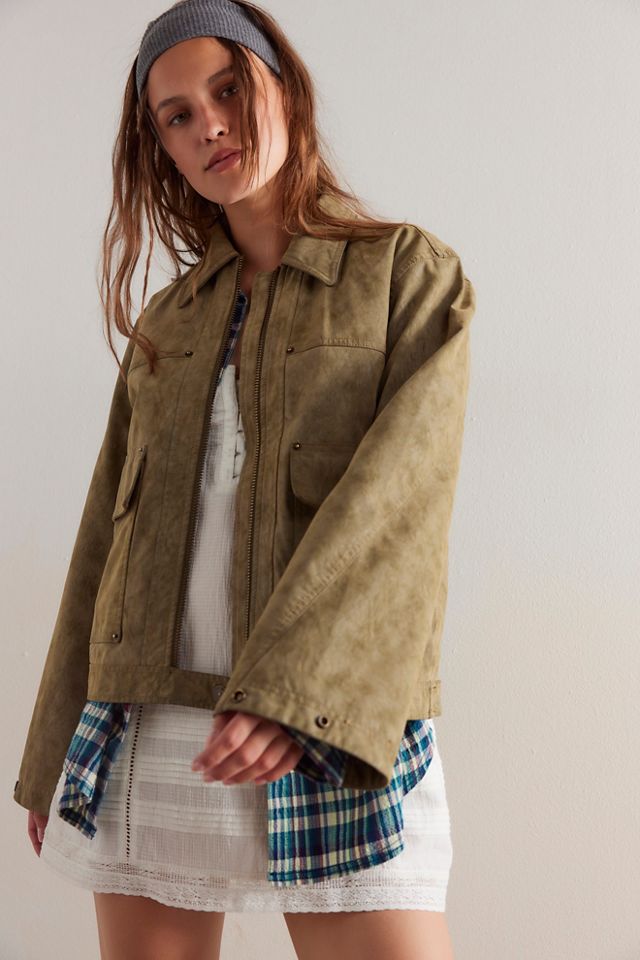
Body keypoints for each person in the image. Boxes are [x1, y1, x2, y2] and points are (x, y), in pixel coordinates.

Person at [13, 1, 476, 957]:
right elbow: (104, 536)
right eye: (177, 115)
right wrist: (52, 747)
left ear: (285, 88)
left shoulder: (407, 275)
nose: (210, 126)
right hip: (152, 726)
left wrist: (291, 694)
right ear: (162, 149)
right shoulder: (169, 321)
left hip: (331, 716)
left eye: (228, 89)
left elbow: (399, 513)